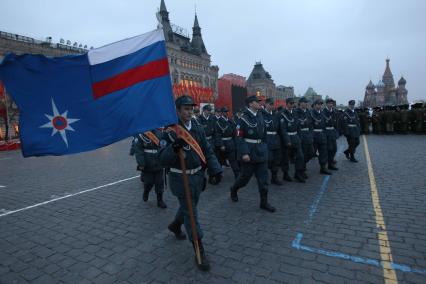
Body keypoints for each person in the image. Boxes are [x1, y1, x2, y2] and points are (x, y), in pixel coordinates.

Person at [159, 96, 223, 271]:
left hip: (197, 177)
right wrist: (173, 149)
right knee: (191, 213)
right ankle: (199, 249)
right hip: (180, 179)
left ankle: (174, 225)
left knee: (189, 207)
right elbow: (162, 160)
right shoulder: (170, 131)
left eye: (191, 108)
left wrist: (215, 168)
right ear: (178, 110)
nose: (189, 112)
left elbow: (207, 150)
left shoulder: (197, 128)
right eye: (185, 109)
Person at [230, 95, 276, 212]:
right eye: (257, 102)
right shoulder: (243, 118)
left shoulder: (260, 115)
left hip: (261, 151)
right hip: (249, 153)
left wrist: (265, 146)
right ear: (250, 104)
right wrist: (244, 153)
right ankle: (234, 189)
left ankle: (264, 203)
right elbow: (239, 138)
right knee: (244, 178)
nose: (260, 103)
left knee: (263, 179)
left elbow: (264, 133)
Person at [134, 129, 167, 208]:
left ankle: (160, 200)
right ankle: (146, 191)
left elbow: (164, 146)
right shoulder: (141, 134)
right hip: (147, 164)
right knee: (149, 182)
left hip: (158, 163)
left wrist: (165, 159)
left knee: (159, 182)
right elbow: (138, 150)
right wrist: (141, 163)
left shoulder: (160, 133)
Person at [279, 97, 306, 182]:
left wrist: (299, 137)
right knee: (286, 158)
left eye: (293, 103)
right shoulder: (282, 113)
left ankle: (298, 173)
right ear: (286, 104)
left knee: (300, 156)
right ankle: (285, 174)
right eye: (291, 103)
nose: (292, 105)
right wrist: (287, 141)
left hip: (295, 138)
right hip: (287, 139)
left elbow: (298, 127)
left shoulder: (294, 113)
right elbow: (283, 129)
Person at [214, 106, 240, 178]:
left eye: (227, 111)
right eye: (225, 112)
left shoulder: (231, 121)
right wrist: (221, 145)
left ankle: (237, 175)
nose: (226, 113)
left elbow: (235, 133)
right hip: (223, 144)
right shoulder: (218, 122)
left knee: (233, 160)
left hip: (231, 143)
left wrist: (235, 143)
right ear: (222, 113)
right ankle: (217, 176)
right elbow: (217, 135)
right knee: (219, 161)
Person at [262, 98, 282, 185]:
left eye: (272, 104)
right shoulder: (261, 114)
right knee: (268, 159)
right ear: (266, 104)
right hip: (266, 140)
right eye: (270, 104)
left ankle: (274, 177)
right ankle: (262, 175)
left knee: (277, 160)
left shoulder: (276, 115)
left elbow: (280, 129)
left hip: (276, 140)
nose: (271, 106)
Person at [310, 99, 332, 175]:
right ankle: (301, 168)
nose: (320, 106)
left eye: (320, 105)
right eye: (318, 104)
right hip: (314, 135)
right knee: (311, 153)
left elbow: (324, 125)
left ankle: (323, 168)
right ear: (315, 105)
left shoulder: (322, 113)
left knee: (323, 152)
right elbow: (310, 125)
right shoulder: (311, 113)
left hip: (322, 135)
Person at [295, 97, 314, 179]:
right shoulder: (296, 112)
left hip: (308, 135)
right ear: (300, 103)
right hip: (300, 135)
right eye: (304, 102)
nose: (306, 104)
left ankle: (302, 167)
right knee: (300, 155)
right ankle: (299, 172)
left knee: (310, 153)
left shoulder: (308, 112)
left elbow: (311, 124)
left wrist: (311, 134)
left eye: (307, 102)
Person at [323, 99, 339, 171]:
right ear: (326, 104)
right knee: (329, 149)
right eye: (329, 103)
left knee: (334, 148)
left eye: (332, 103)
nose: (331, 105)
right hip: (326, 132)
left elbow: (336, 123)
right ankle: (329, 164)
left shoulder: (334, 112)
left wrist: (336, 131)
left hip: (332, 132)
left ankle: (331, 161)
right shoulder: (323, 112)